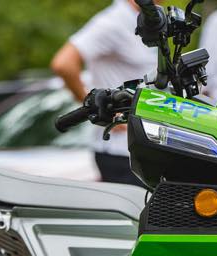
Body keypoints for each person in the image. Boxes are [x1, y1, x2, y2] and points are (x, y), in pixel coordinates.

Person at [51, 0, 158, 185]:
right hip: (120, 153)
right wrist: (96, 109)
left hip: (146, 148)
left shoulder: (150, 18)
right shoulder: (113, 21)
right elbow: (63, 64)